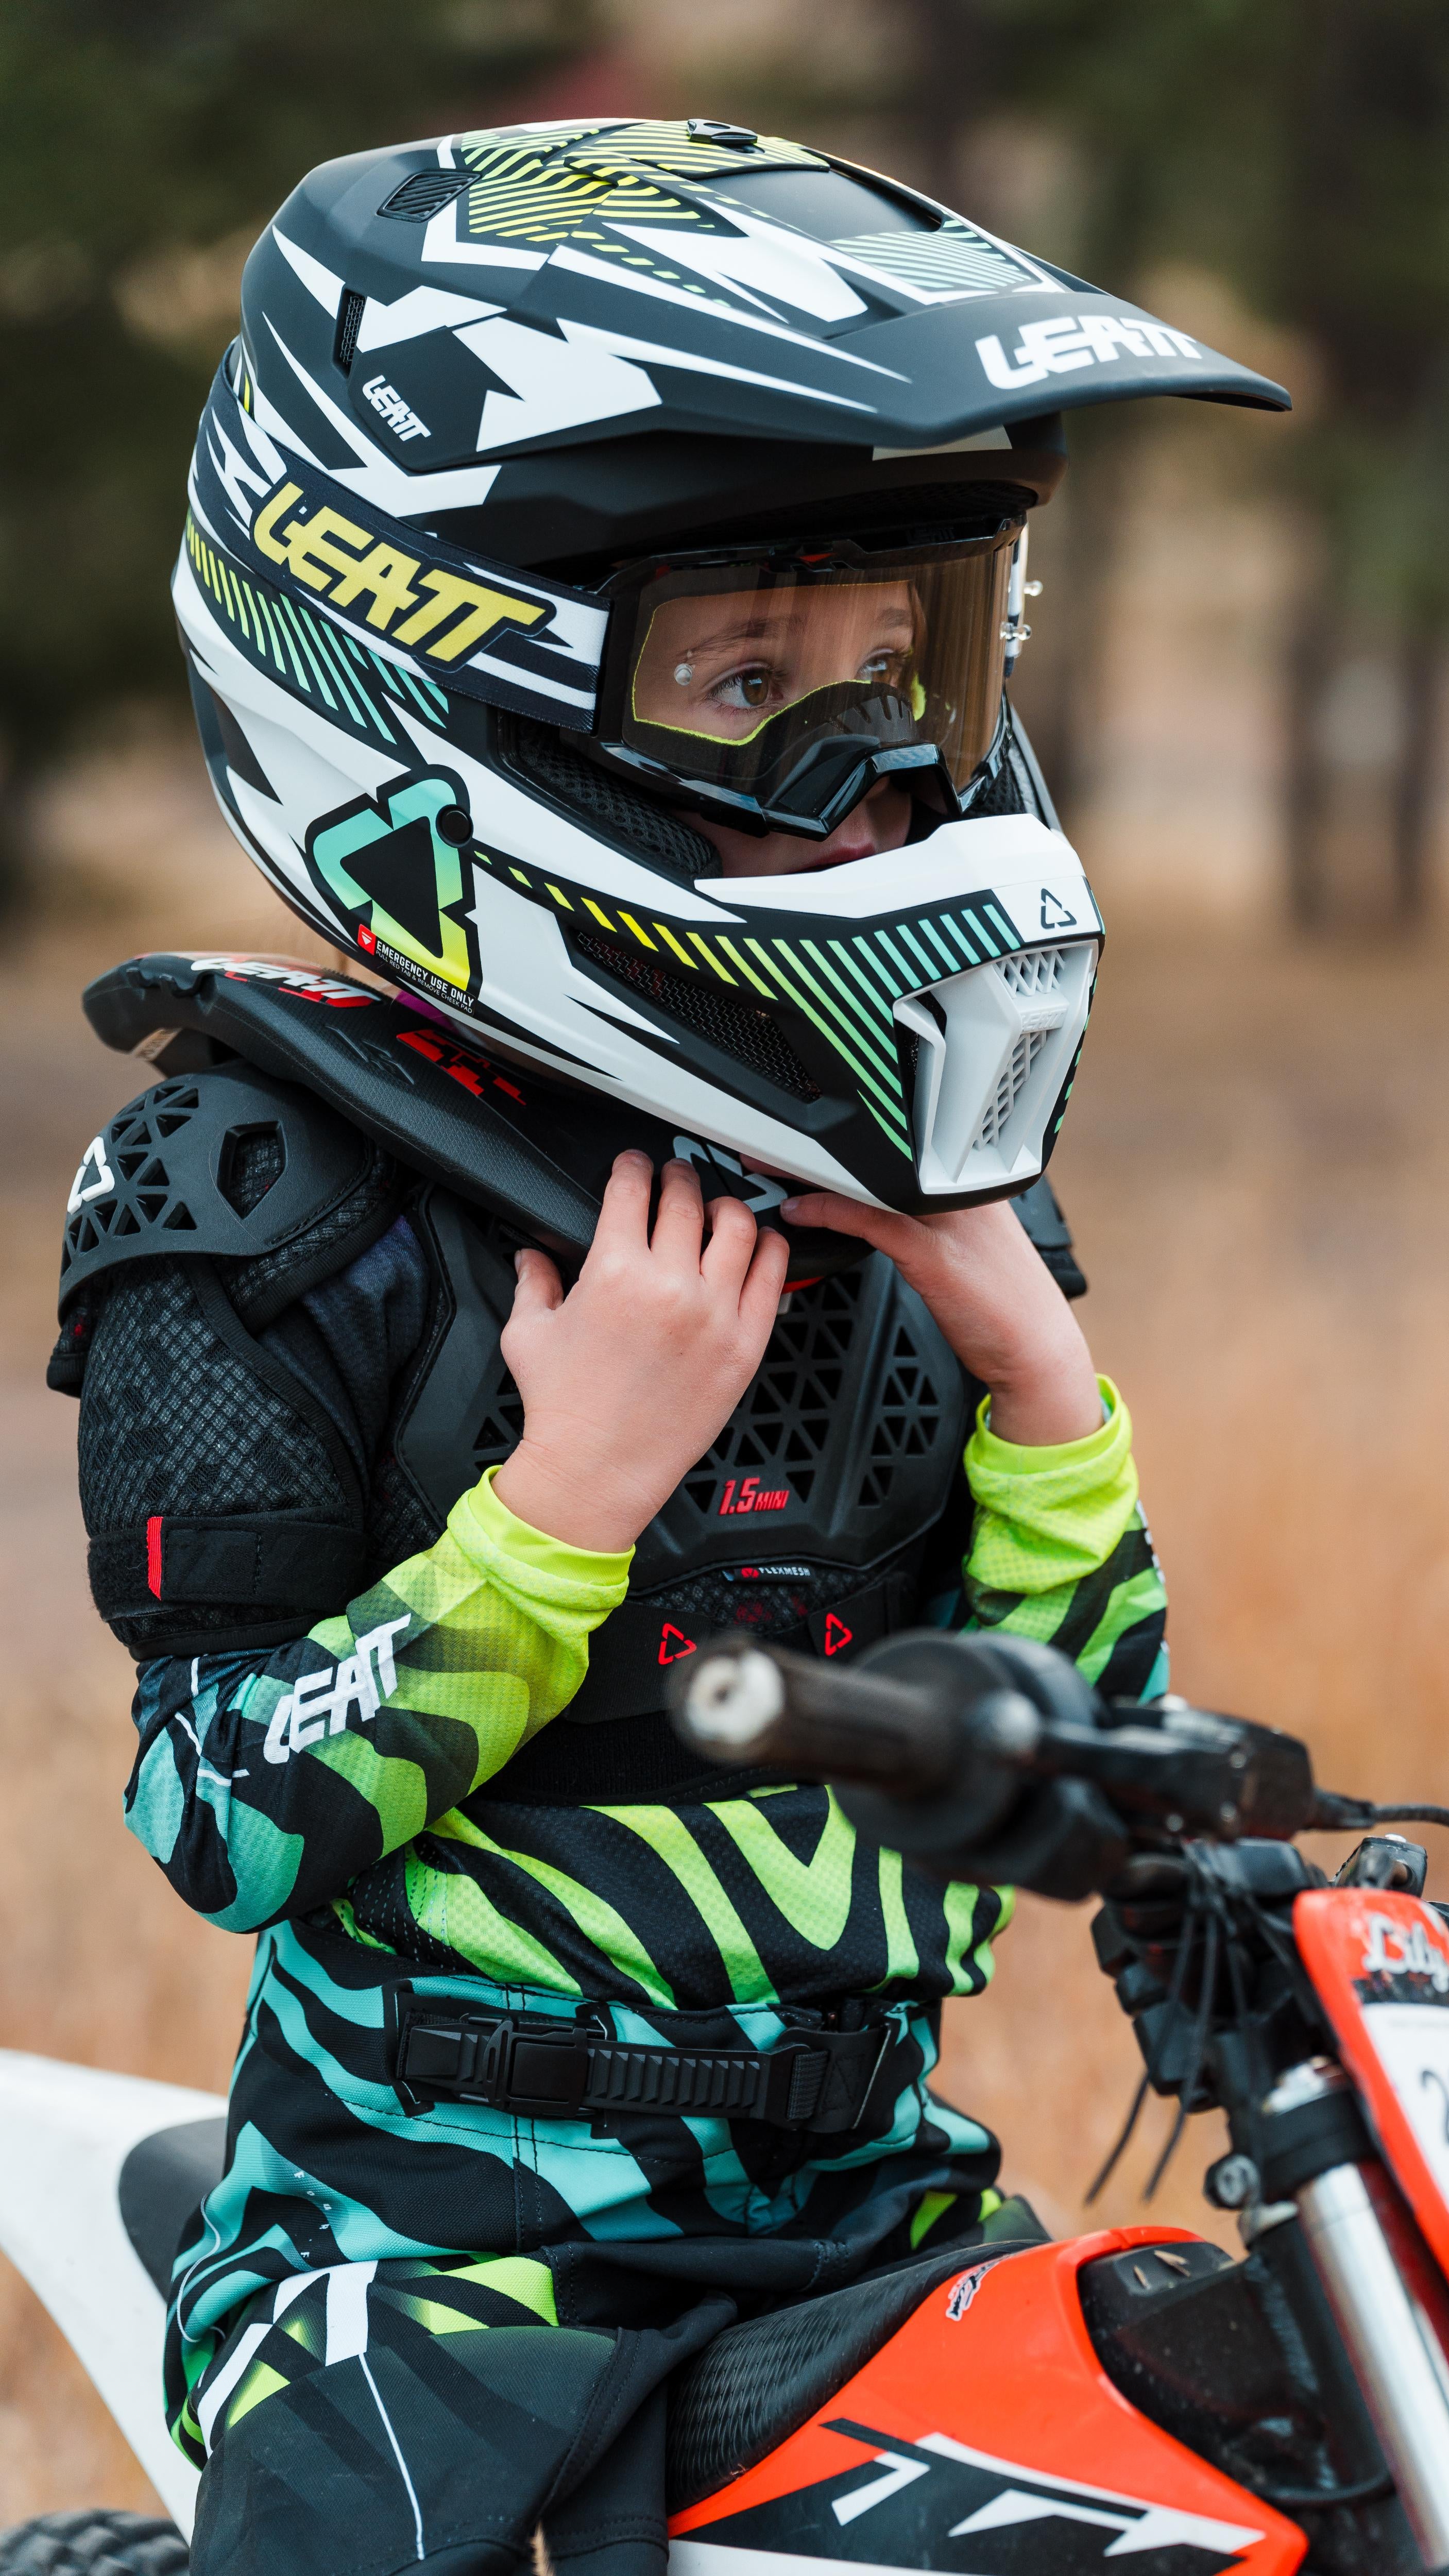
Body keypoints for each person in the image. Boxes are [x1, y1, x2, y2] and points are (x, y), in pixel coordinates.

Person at [52, 114, 1286, 2576]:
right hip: (427, 2260)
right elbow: (215, 1819)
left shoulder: (897, 1198)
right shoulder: (268, 1210)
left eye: (903, 662)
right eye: (748, 678)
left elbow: (1062, 1770)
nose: (858, 785)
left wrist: (1041, 1384)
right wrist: (558, 1507)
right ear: (437, 673)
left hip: (861, 2211)